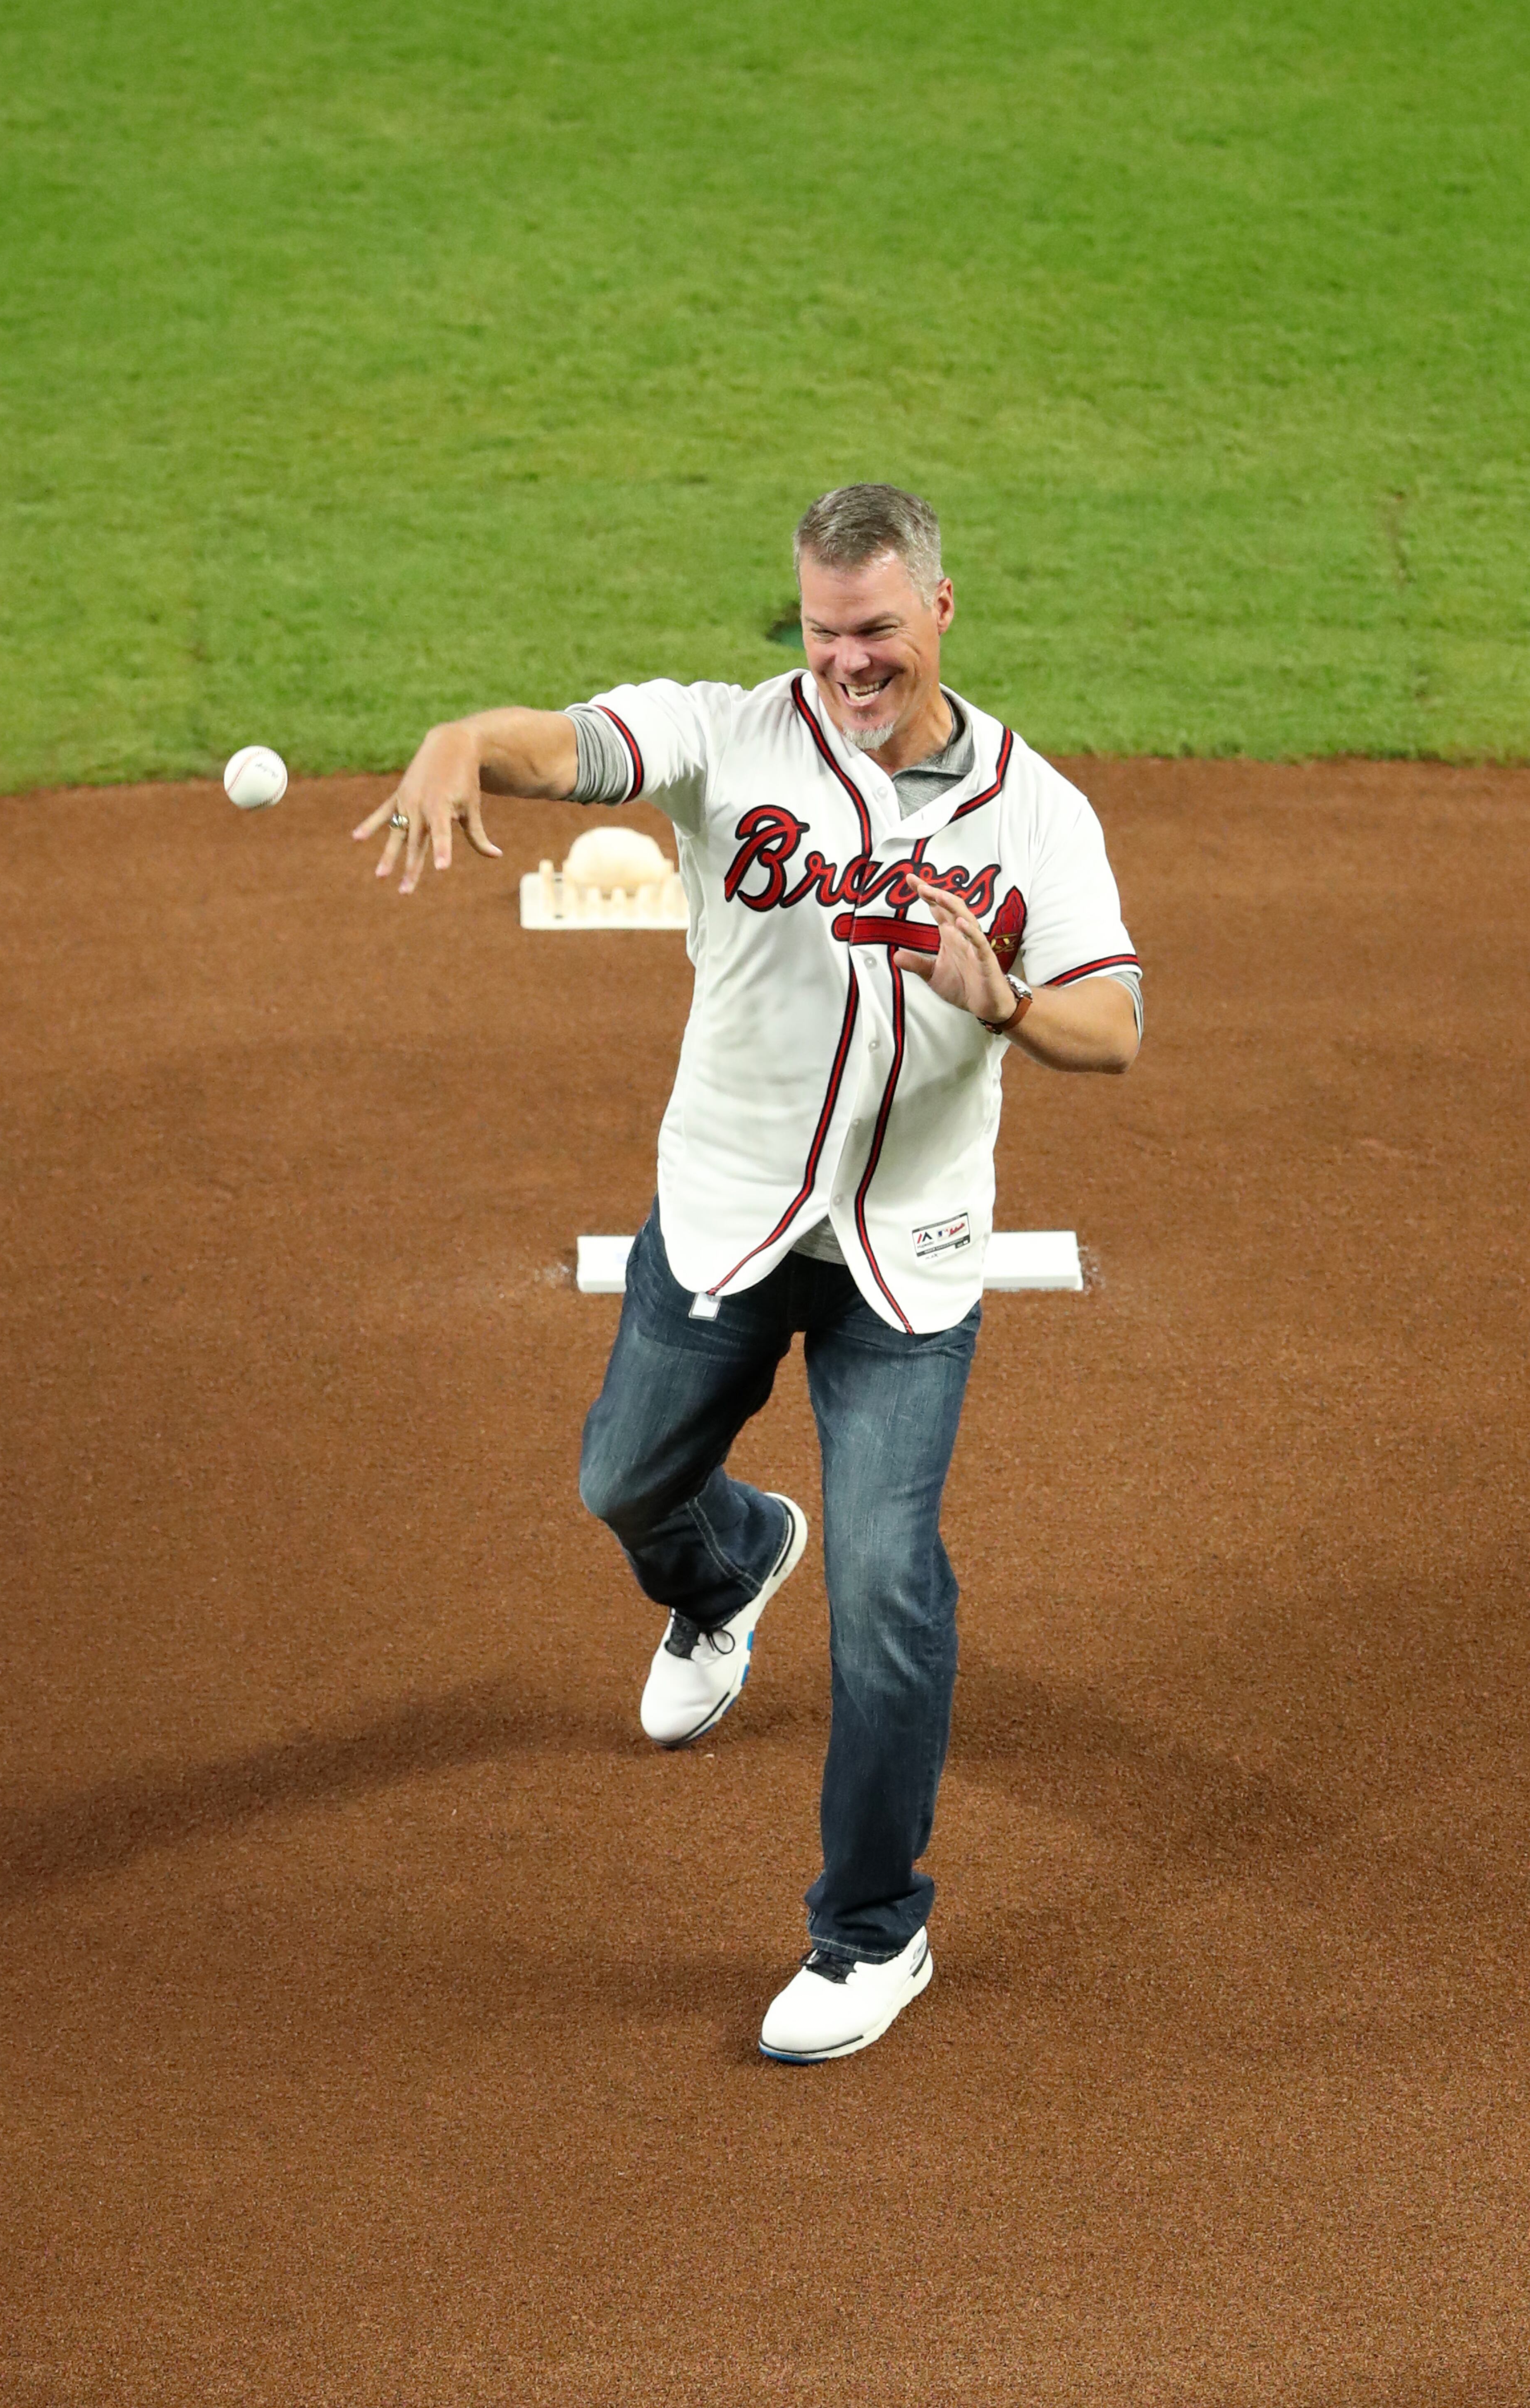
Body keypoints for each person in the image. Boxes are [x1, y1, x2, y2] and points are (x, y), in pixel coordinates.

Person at [354, 485, 1141, 2062]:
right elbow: (569, 745)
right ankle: (726, 1566)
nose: (848, 658)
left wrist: (1004, 1003)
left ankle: (870, 1933)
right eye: (823, 627)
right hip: (723, 1214)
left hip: (906, 1263)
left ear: (941, 612)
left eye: (878, 629)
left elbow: (1112, 1028)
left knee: (891, 1587)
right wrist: (463, 740)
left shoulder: (1036, 811)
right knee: (623, 1482)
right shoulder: (723, 738)